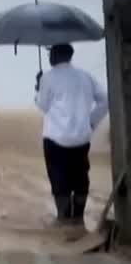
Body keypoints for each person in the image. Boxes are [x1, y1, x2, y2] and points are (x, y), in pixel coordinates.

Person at [35, 43, 108, 228]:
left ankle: (62, 219)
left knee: (59, 177)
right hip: (81, 138)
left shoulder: (48, 78)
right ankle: (78, 219)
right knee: (80, 176)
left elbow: (42, 105)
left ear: (56, 55)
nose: (49, 56)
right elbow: (105, 99)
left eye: (51, 52)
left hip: (55, 138)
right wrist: (91, 122)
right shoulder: (85, 76)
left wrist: (38, 87)